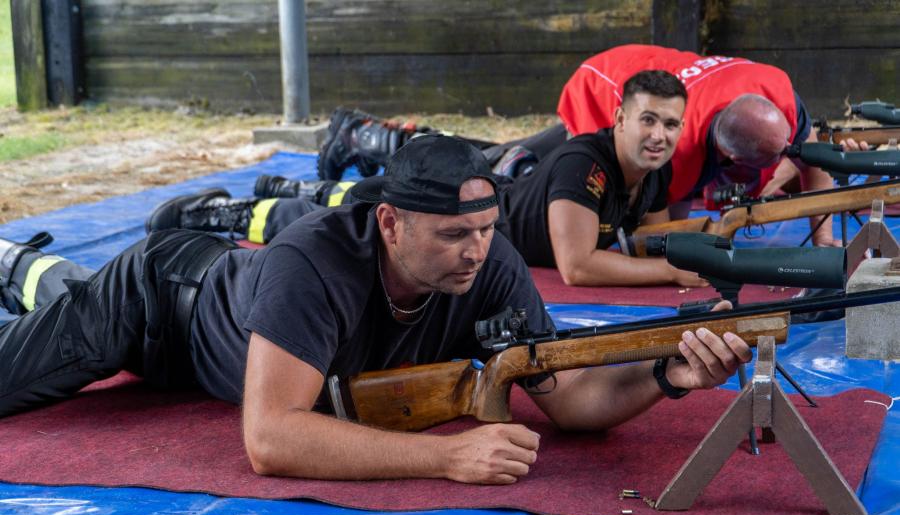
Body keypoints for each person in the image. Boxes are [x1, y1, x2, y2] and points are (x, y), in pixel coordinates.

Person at [0, 135, 750, 484]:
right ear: (389, 224)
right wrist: (446, 456)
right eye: (454, 235)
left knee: (53, 290)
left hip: (227, 332)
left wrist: (666, 373)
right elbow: (269, 440)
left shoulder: (492, 264)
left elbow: (572, 399)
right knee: (31, 350)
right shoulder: (314, 259)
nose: (476, 252)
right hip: (156, 303)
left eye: (486, 232)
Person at [149, 71, 706, 288]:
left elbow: (651, 239)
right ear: (620, 121)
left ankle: (287, 189)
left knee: (350, 198)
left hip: (486, 201)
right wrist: (675, 271)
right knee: (347, 220)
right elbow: (578, 266)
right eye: (648, 120)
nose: (658, 135)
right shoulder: (584, 165)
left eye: (671, 124)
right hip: (462, 213)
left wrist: (711, 239)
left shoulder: (653, 172)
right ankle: (219, 216)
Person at [319, 45, 846, 245]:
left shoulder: (776, 92)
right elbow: (659, 229)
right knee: (513, 169)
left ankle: (372, 137)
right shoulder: (673, 154)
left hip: (647, 84)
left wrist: (823, 239)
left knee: (517, 161)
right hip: (605, 85)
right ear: (723, 154)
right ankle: (370, 138)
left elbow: (808, 145)